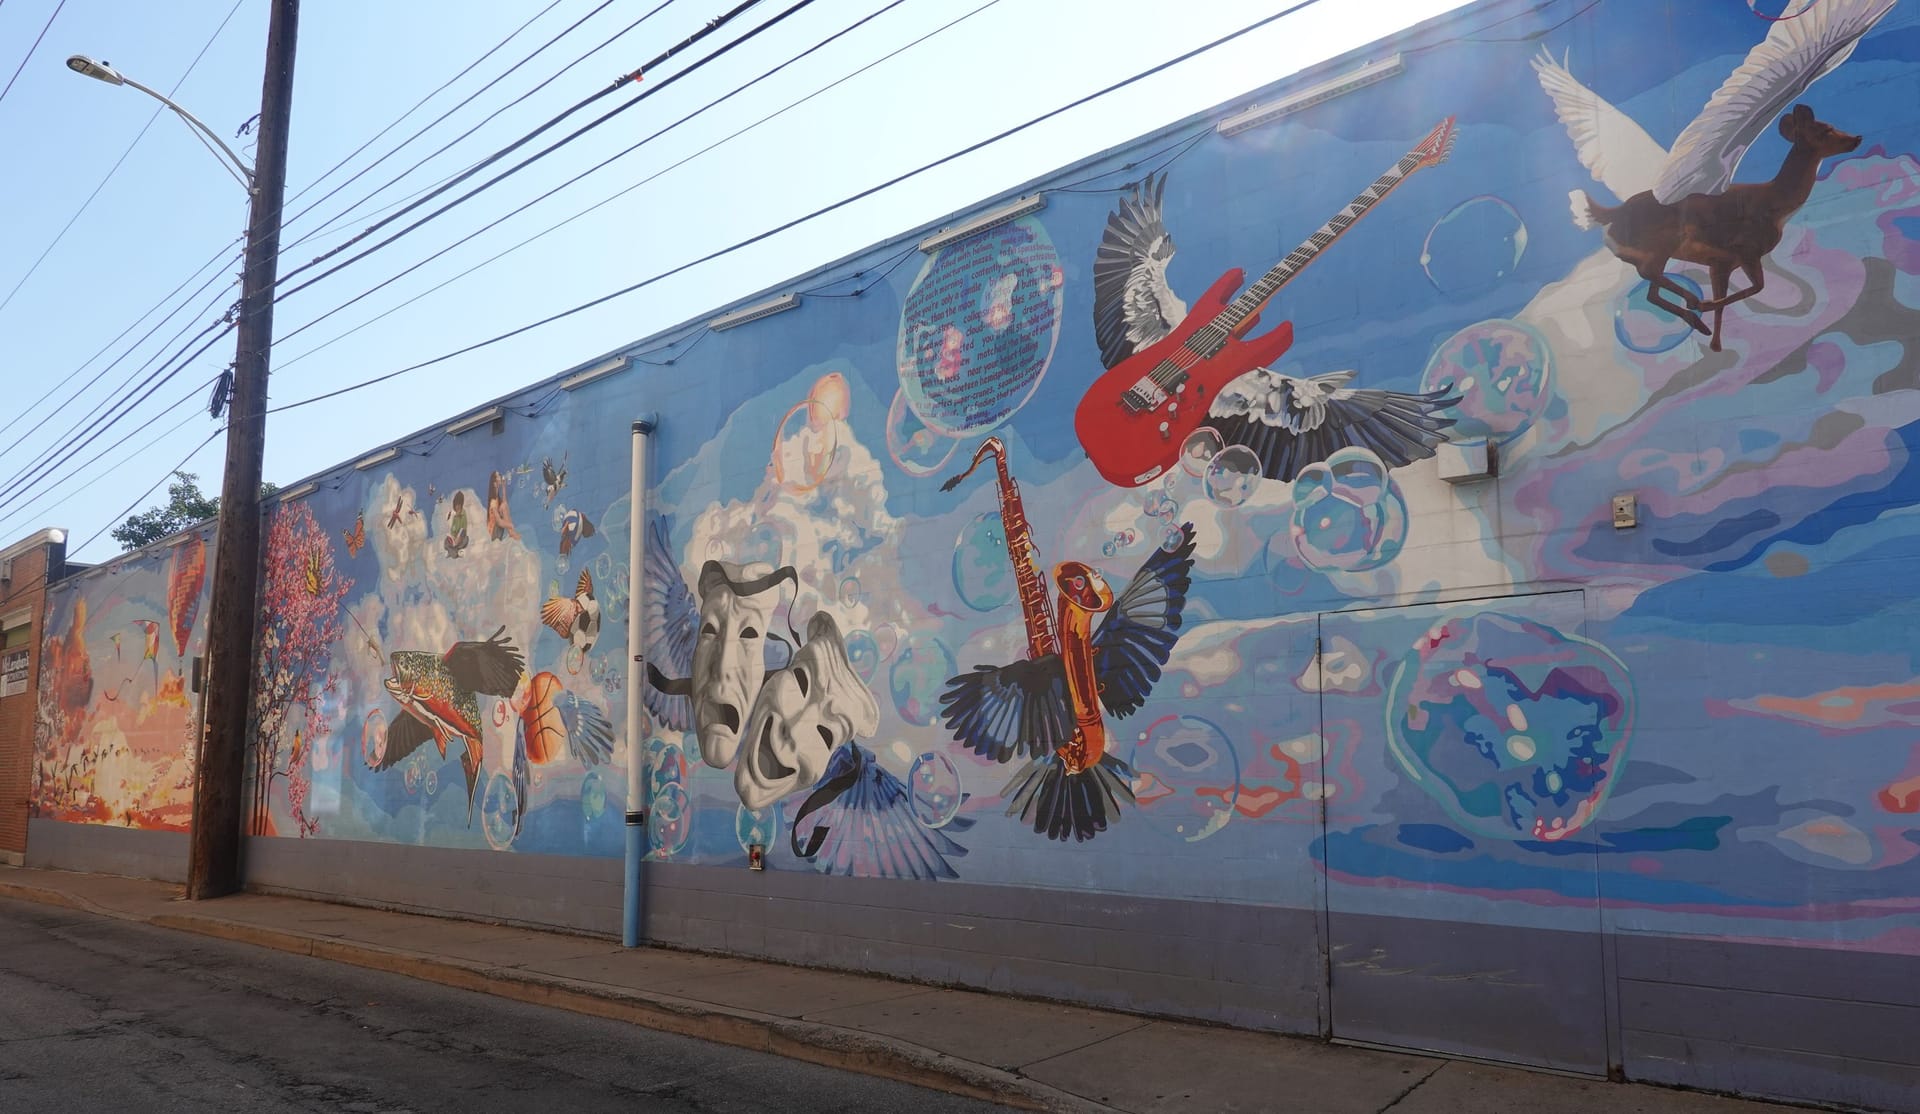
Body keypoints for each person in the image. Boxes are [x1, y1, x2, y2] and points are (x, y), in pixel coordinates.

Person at [487, 471, 519, 541]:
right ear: (494, 483)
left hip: (498, 531)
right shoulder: (493, 502)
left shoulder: (497, 499)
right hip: (494, 534)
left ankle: (512, 533)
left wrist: (504, 487)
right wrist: (510, 525)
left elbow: (505, 505)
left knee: (504, 505)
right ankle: (512, 534)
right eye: (498, 476)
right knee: (503, 506)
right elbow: (499, 521)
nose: (500, 477)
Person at [444, 491, 470, 558]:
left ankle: (454, 552)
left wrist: (459, 538)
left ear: (461, 505)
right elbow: (452, 528)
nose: (457, 507)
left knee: (466, 540)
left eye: (458, 505)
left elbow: (463, 529)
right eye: (456, 505)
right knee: (446, 541)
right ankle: (455, 552)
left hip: (461, 537)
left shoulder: (463, 514)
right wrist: (452, 536)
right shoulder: (453, 514)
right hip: (454, 538)